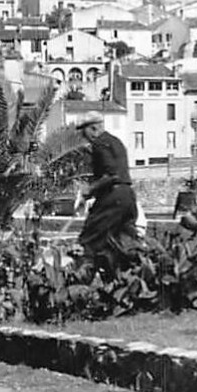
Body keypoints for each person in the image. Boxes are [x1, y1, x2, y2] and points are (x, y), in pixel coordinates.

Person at [73, 112, 141, 272]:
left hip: (113, 196)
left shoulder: (100, 144)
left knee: (89, 238)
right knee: (124, 239)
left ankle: (79, 282)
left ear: (94, 128)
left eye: (84, 133)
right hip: (128, 196)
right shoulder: (116, 142)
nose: (84, 138)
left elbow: (111, 174)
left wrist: (89, 190)